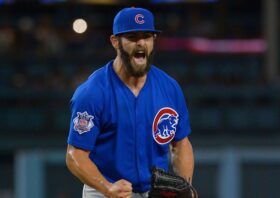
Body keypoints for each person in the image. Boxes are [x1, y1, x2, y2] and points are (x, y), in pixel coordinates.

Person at [66, 7, 195, 198]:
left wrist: (184, 186)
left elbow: (181, 143)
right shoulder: (93, 92)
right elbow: (75, 154)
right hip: (103, 190)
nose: (141, 42)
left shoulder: (169, 88)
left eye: (147, 36)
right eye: (133, 37)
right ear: (115, 42)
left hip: (154, 192)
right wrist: (106, 187)